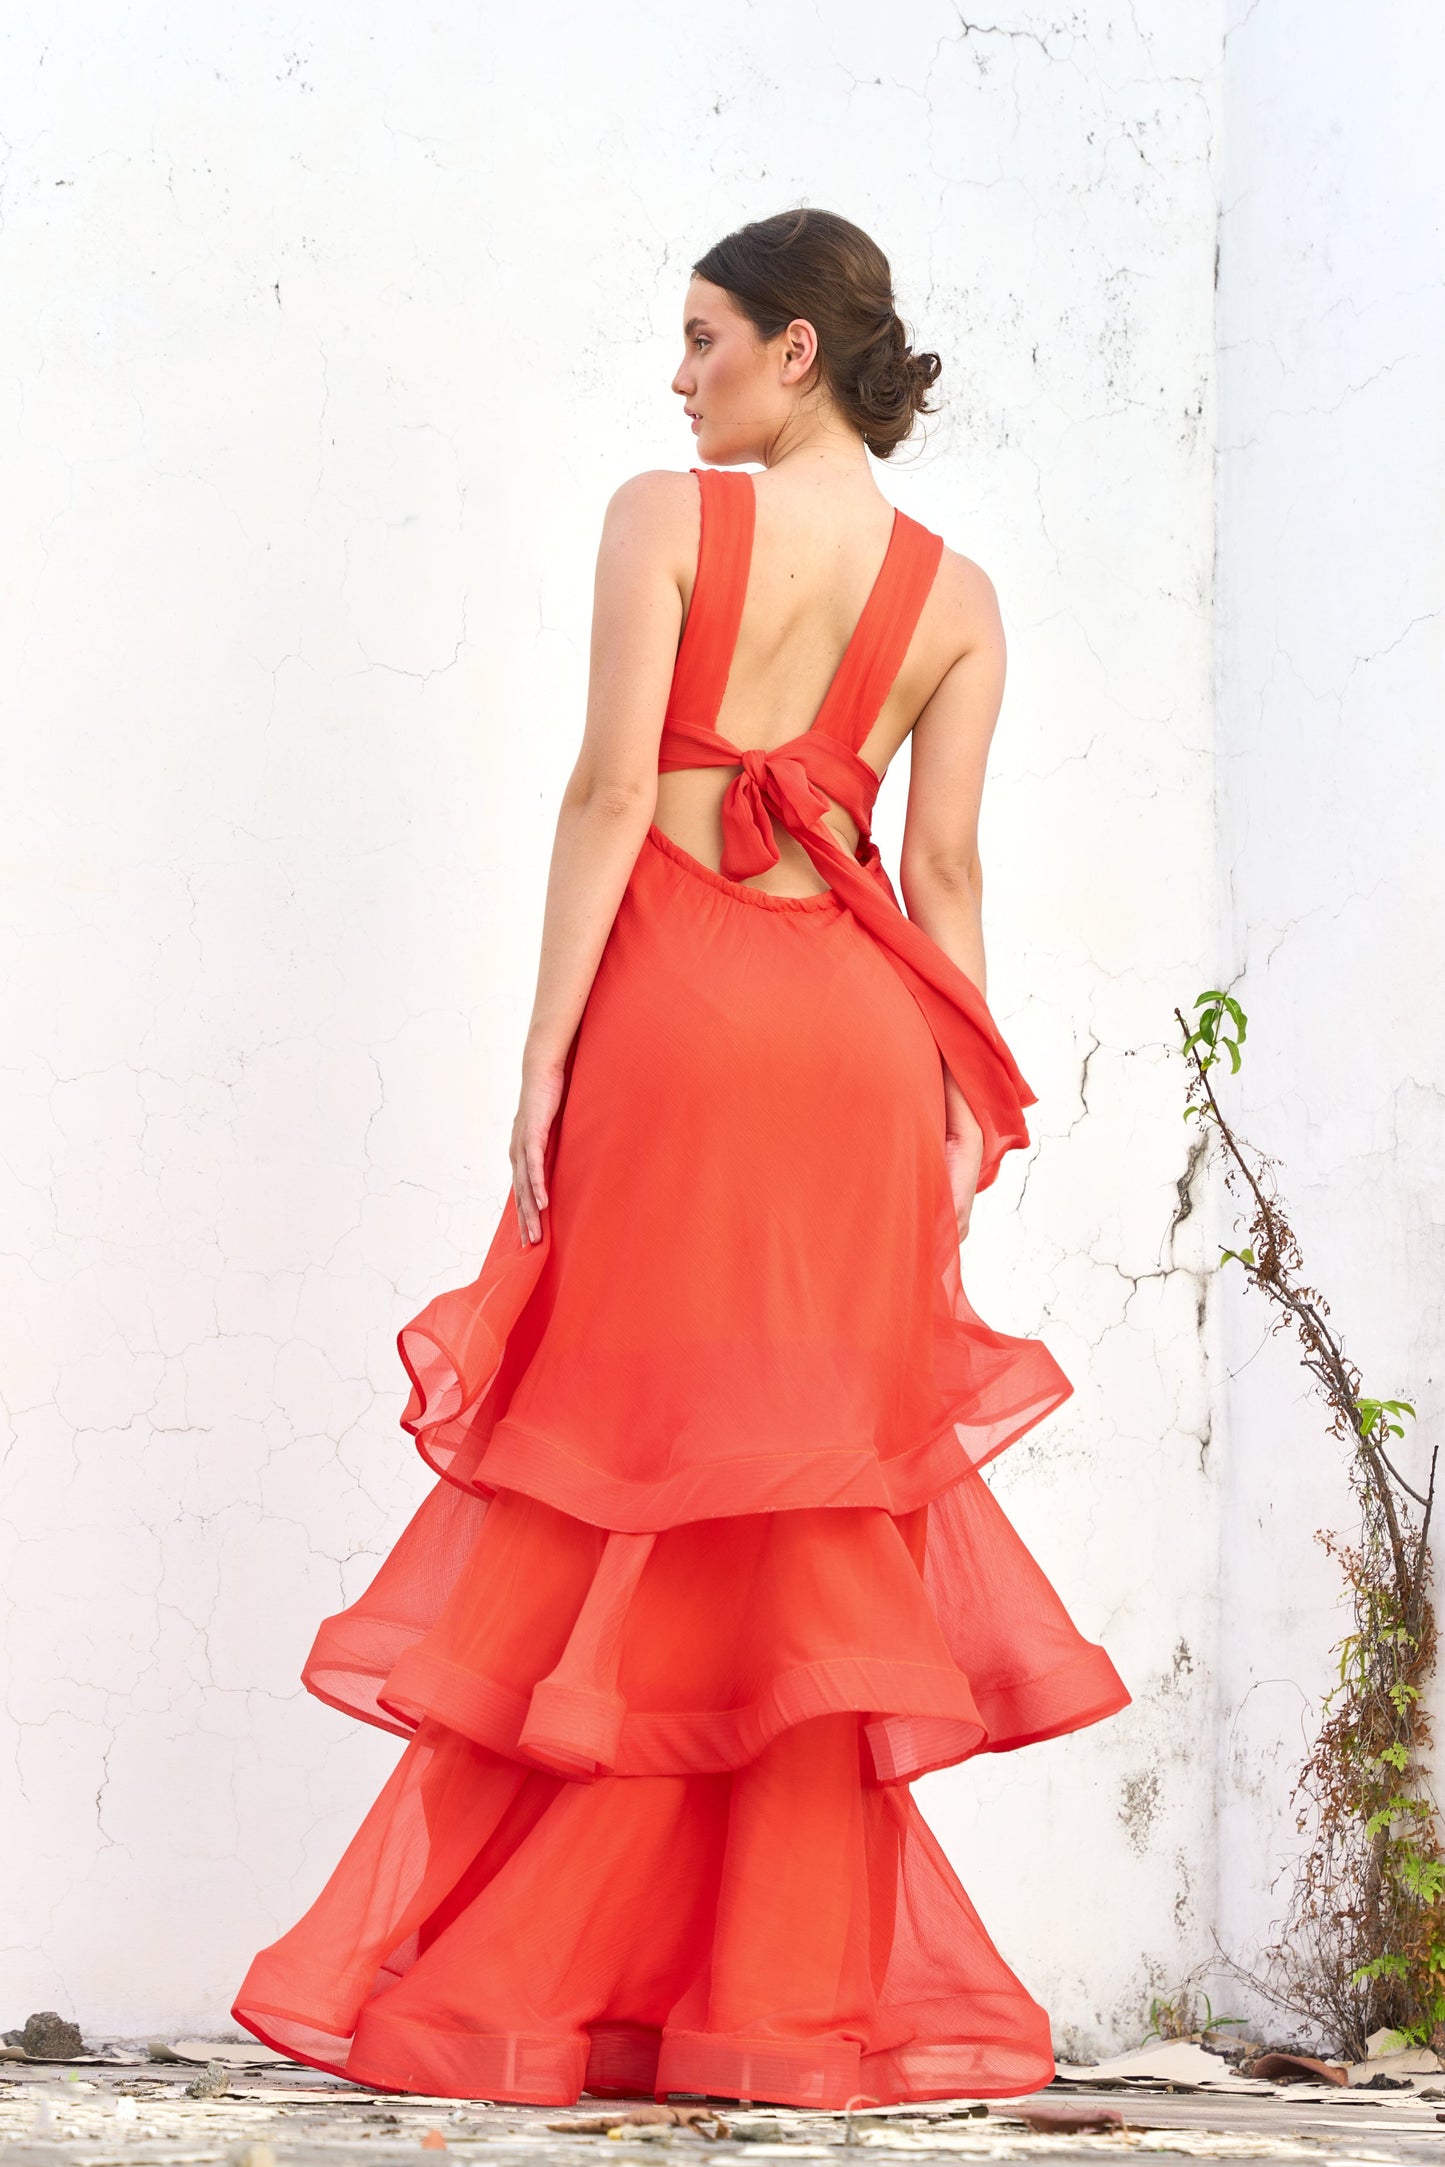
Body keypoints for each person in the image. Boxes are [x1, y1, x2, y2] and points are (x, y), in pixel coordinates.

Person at [232, 206, 1130, 2111]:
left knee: (632, 1477)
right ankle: (758, 1997)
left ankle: (557, 1969)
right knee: (801, 1507)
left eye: (706, 335)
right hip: (862, 1047)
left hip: (681, 1015)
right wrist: (961, 1097)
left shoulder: (664, 518)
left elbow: (612, 790)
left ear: (793, 349)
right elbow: (948, 869)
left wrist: (544, 1046)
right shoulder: (955, 594)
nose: (680, 375)